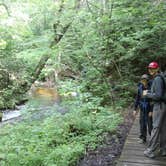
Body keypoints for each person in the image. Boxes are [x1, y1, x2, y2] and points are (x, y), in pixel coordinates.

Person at [143, 61, 166, 158]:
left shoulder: (157, 79)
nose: (150, 70)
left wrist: (147, 94)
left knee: (156, 128)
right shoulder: (161, 77)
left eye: (153, 68)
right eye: (149, 68)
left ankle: (150, 150)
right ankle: (163, 149)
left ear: (157, 69)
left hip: (159, 106)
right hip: (163, 105)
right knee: (163, 128)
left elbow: (158, 96)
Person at [134, 74, 153, 143]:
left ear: (147, 80)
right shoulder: (140, 88)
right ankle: (143, 138)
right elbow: (137, 99)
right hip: (142, 109)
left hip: (149, 108)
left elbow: (152, 100)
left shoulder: (151, 88)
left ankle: (153, 138)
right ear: (141, 81)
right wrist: (135, 109)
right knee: (142, 123)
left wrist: (151, 110)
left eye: (145, 80)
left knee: (150, 124)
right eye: (143, 80)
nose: (144, 81)